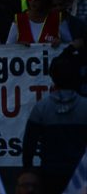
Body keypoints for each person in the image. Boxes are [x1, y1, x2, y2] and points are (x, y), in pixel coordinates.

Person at [22, 56, 87, 192]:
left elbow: (29, 144)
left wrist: (27, 170)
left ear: (52, 77)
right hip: (80, 174)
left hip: (50, 173)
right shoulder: (84, 106)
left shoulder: (41, 108)